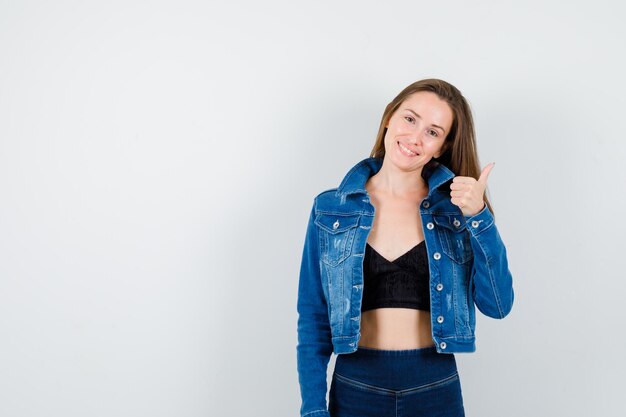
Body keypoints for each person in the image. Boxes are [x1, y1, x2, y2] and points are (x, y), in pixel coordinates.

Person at [296, 78, 515, 417]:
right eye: (410, 119)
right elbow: (313, 318)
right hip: (356, 387)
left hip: (434, 388)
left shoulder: (455, 212)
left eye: (433, 132)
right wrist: (312, 409)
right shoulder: (331, 209)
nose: (415, 137)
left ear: (441, 147)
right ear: (389, 118)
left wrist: (479, 217)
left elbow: (498, 305)